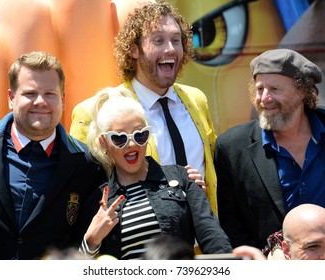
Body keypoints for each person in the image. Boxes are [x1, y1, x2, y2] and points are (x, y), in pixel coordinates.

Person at [69, 1, 218, 214]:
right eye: (158, 40)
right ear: (134, 49)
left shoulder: (197, 100)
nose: (170, 49)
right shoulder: (96, 111)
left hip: (203, 242)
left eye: (176, 40)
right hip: (142, 242)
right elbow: (84, 191)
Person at [0, 51, 107, 259]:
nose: (40, 102)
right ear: (11, 98)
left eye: (50, 94)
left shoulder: (87, 164)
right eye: (30, 93)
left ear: (62, 100)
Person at [80, 87, 232, 259]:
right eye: (119, 138)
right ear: (103, 143)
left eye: (140, 135)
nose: (131, 144)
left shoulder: (182, 178)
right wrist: (91, 240)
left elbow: (213, 237)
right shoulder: (98, 202)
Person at [214, 48, 325, 249]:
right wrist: (263, 259)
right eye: (259, 89)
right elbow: (231, 220)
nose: (264, 98)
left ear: (302, 92)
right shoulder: (232, 147)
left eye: (274, 89)